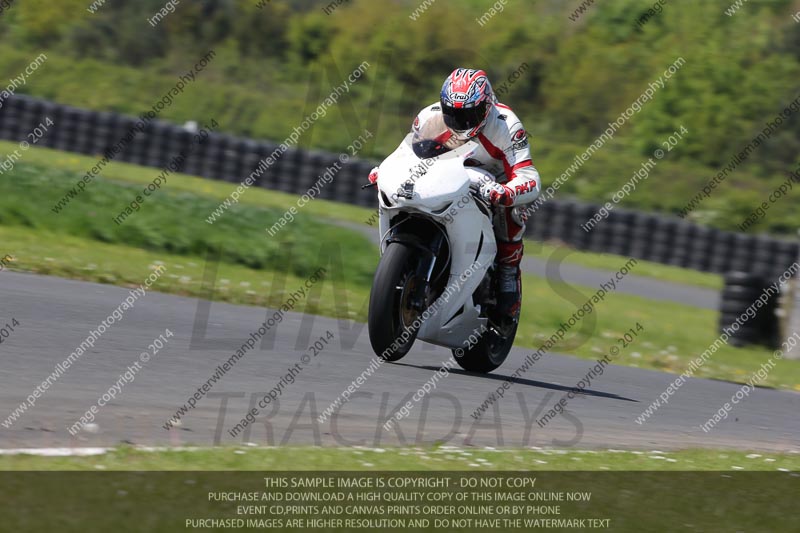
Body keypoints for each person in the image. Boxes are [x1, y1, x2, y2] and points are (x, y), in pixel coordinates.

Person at [371, 68, 541, 320]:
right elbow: (404, 154)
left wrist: (505, 192)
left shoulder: (507, 125)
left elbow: (530, 177)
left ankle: (507, 277)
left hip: (492, 181)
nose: (459, 121)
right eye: (452, 113)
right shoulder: (429, 117)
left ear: (485, 107)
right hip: (447, 176)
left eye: (467, 114)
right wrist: (382, 171)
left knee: (512, 214)